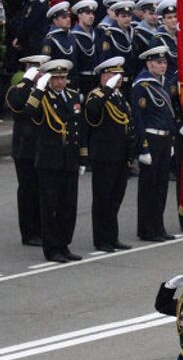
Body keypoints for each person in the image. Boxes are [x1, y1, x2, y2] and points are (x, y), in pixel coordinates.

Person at [24, 58, 84, 263]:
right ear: (49, 79)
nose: (60, 82)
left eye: (63, 78)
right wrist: (39, 90)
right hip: (50, 161)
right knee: (50, 207)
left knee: (69, 207)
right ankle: (52, 248)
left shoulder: (74, 96)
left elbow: (79, 128)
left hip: (70, 160)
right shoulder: (42, 98)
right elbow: (28, 112)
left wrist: (82, 157)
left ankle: (64, 245)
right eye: (56, 78)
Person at [85, 56, 134, 252]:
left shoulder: (119, 96)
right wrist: (106, 90)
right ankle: (101, 239)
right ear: (104, 76)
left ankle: (112, 236)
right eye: (114, 74)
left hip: (120, 156)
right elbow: (92, 114)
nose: (119, 78)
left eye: (120, 75)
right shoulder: (96, 95)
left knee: (115, 199)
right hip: (104, 156)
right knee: (102, 199)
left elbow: (127, 125)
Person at [131, 45, 177, 242]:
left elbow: (168, 114)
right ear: (149, 64)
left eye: (165, 62)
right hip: (151, 139)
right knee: (148, 187)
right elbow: (138, 119)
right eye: (158, 63)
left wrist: (172, 139)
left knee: (161, 186)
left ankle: (158, 226)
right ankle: (146, 229)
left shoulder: (164, 83)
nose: (163, 66)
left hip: (165, 138)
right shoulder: (142, 85)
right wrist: (143, 147)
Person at [5, 53, 49, 247]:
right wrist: (26, 80)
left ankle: (41, 229)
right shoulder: (19, 89)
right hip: (25, 148)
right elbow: (16, 103)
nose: (42, 73)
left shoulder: (44, 88)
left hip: (43, 146)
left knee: (42, 191)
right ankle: (29, 233)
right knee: (28, 192)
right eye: (39, 69)